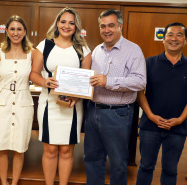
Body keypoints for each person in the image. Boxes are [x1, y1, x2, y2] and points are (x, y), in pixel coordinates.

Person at [84, 9, 146, 185]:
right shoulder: (97, 50)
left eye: (111, 25)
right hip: (93, 111)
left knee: (118, 163)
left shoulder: (133, 50)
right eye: (103, 26)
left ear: (120, 26)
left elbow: (140, 82)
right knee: (92, 159)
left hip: (118, 114)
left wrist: (108, 81)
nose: (106, 30)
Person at [30, 7, 91, 185]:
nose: (66, 26)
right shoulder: (45, 45)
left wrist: (77, 97)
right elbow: (33, 73)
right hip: (49, 104)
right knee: (49, 150)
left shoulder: (83, 49)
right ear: (57, 23)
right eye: (63, 22)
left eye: (71, 23)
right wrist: (44, 82)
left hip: (72, 107)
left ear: (76, 26)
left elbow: (86, 80)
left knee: (66, 150)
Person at [136, 22, 187, 185]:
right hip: (150, 126)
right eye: (170, 35)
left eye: (180, 35)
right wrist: (151, 116)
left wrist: (180, 119)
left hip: (178, 128)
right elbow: (139, 91)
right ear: (163, 39)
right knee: (145, 167)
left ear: (185, 41)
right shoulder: (149, 63)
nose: (174, 38)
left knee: (170, 171)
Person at [0, 15, 34, 185]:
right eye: (12, 29)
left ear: (25, 32)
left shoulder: (32, 53)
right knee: (1, 147)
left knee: (19, 148)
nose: (16, 33)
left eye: (19, 29)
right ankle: (3, 182)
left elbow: (37, 75)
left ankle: (14, 183)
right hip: (1, 104)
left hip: (23, 103)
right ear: (6, 32)